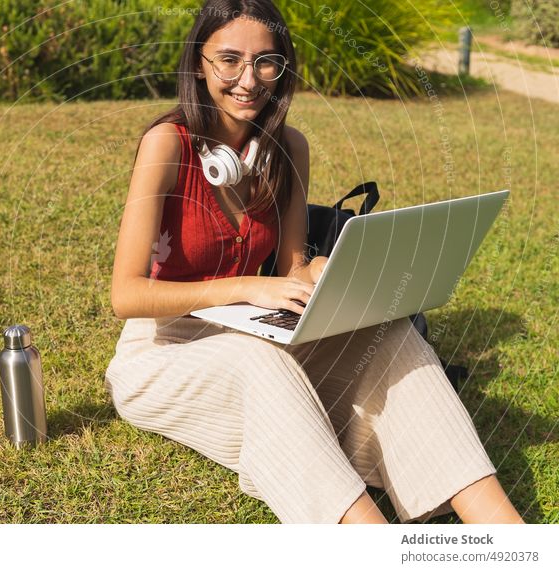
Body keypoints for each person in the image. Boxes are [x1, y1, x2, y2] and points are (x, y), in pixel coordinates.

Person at [104, 0, 524, 524]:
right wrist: (243, 288)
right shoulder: (166, 144)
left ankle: (509, 536)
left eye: (266, 62)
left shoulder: (287, 149)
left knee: (392, 338)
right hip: (162, 352)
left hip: (254, 333)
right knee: (257, 362)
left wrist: (326, 272)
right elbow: (126, 295)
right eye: (229, 60)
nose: (249, 79)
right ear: (198, 63)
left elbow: (291, 268)